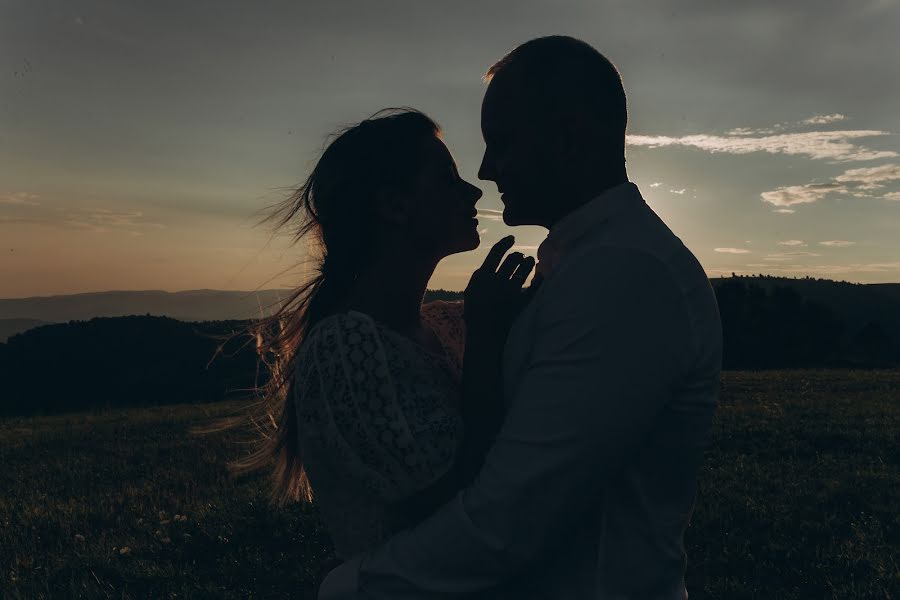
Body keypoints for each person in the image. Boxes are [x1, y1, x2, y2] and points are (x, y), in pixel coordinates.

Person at [319, 36, 723, 599]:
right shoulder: (587, 265)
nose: (485, 171)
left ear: (568, 138)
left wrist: (350, 587)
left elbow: (510, 519)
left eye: (501, 144)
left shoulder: (622, 274)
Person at [213, 107, 538, 579]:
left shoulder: (445, 324)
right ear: (394, 206)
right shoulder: (345, 348)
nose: (473, 190)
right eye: (448, 179)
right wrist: (488, 336)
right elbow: (457, 507)